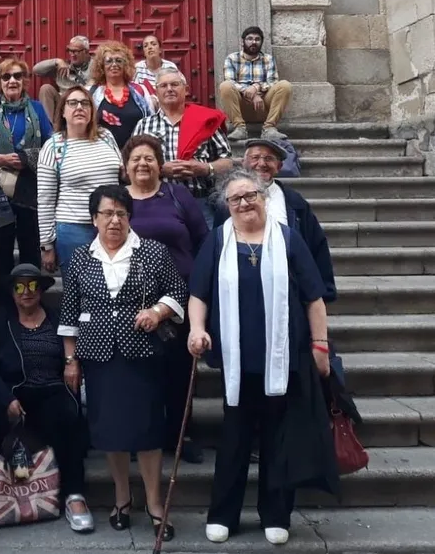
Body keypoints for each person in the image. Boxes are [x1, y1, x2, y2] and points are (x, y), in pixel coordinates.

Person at [188, 168, 335, 545]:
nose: (244, 203)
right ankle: (223, 515)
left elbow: (313, 298)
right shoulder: (218, 241)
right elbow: (199, 294)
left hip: (283, 361)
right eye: (236, 198)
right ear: (227, 206)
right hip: (237, 363)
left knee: (277, 440)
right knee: (234, 440)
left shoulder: (288, 238)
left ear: (264, 196)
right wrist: (197, 328)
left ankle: (276, 514)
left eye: (250, 194)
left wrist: (320, 345)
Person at [58, 184, 188, 543]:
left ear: (130, 217)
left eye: (121, 213)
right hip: (98, 357)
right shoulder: (81, 258)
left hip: (143, 355)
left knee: (147, 432)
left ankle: (155, 504)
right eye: (107, 213)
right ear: (93, 219)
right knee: (110, 434)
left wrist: (158, 311)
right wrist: (71, 360)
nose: (114, 220)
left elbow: (177, 292)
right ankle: (122, 498)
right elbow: (69, 311)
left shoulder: (153, 252)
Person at [0, 263, 93, 534]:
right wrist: (5, 399)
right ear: (12, 292)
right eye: (20, 286)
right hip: (12, 393)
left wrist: (72, 363)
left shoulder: (57, 319)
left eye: (33, 286)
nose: (27, 292)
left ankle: (74, 496)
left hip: (50, 391)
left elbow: (73, 354)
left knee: (66, 415)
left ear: (41, 290)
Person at [123, 134, 208, 464]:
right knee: (140, 372)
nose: (142, 164)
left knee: (180, 368)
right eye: (135, 159)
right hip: (134, 300)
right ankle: (142, 434)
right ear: (125, 167)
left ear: (160, 165)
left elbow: (202, 239)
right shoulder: (119, 201)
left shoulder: (178, 194)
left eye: (149, 158)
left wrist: (200, 287)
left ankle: (179, 434)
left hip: (182, 296)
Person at [0, 58, 53, 304]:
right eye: (7, 76)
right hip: (0, 190)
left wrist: (26, 158)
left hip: (30, 187)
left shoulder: (38, 109)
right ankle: (5, 307)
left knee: (30, 249)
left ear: (25, 81)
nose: (12, 81)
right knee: (3, 251)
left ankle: (31, 303)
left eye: (18, 76)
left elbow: (50, 144)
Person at [221, 139, 336, 302]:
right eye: (255, 158)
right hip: (240, 286)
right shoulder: (227, 201)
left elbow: (317, 245)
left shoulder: (294, 201)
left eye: (269, 159)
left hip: (289, 287)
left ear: (279, 167)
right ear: (243, 163)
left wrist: (325, 291)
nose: (261, 163)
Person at [37, 86, 122, 279]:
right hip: (74, 229)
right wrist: (46, 245)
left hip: (112, 225)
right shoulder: (53, 146)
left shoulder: (107, 137)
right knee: (79, 292)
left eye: (85, 103)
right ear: (63, 111)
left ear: (92, 111)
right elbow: (45, 200)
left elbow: (122, 172)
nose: (79, 107)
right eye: (72, 103)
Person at [132, 67, 233, 229]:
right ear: (156, 92)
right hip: (157, 201)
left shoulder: (205, 120)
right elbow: (131, 165)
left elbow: (228, 162)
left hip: (199, 201)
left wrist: (206, 168)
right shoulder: (144, 125)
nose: (169, 89)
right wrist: (160, 169)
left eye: (175, 84)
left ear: (185, 90)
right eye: (163, 86)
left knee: (203, 250)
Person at [220, 26, 293, 141]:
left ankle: (269, 128)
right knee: (225, 86)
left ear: (261, 42)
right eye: (249, 39)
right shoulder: (232, 58)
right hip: (241, 107)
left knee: (285, 85)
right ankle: (240, 128)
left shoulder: (268, 59)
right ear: (243, 41)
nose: (253, 42)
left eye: (257, 39)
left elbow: (272, 81)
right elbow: (230, 81)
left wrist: (256, 86)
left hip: (263, 107)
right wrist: (251, 93)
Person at [87, 41, 153, 149]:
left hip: (136, 156)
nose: (114, 64)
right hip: (104, 156)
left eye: (119, 61)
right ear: (101, 66)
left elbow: (151, 123)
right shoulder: (92, 93)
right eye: (109, 61)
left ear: (126, 64)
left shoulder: (140, 90)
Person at [34, 35, 93, 121]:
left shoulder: (96, 66)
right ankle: (50, 129)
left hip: (86, 104)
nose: (72, 55)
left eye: (75, 51)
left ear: (86, 52)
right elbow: (36, 70)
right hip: (64, 104)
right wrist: (57, 61)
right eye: (70, 51)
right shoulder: (63, 67)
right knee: (45, 88)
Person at [133, 35, 178, 105]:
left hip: (168, 106)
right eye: (145, 46)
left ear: (160, 49)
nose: (150, 47)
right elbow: (134, 93)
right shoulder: (137, 68)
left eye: (153, 44)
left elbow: (177, 88)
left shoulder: (170, 67)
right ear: (144, 52)